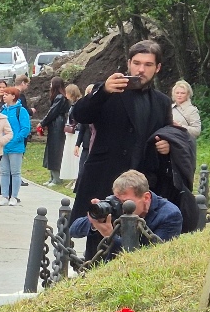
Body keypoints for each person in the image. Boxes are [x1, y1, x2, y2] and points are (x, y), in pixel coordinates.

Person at [70, 40, 172, 258]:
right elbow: (79, 115)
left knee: (137, 249)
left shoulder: (162, 102)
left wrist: (166, 146)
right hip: (104, 181)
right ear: (128, 63)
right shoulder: (106, 90)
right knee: (97, 250)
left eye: (148, 64)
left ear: (158, 68)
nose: (140, 69)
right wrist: (104, 91)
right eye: (136, 63)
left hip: (141, 187)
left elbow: (164, 135)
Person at [69, 169, 183, 258]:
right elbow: (74, 230)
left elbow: (150, 258)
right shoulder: (115, 207)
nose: (121, 206)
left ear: (146, 197)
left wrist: (110, 236)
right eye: (117, 200)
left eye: (125, 202)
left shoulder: (169, 215)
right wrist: (96, 221)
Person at [0, 85, 31, 205]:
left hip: (16, 147)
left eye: (7, 94)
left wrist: (14, 139)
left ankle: (14, 196)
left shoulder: (21, 111)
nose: (4, 96)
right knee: (4, 172)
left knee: (15, 172)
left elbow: (25, 129)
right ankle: (4, 196)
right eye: (4, 94)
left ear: (14, 96)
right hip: (3, 146)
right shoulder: (1, 110)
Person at [39, 77, 70, 186]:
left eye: (51, 84)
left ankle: (56, 178)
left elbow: (52, 112)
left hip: (57, 125)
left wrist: (42, 123)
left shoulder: (60, 97)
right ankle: (53, 177)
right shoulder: (59, 97)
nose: (50, 86)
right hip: (55, 125)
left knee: (55, 151)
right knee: (52, 150)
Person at [59, 84, 85, 182]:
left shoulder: (78, 104)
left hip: (76, 132)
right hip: (72, 132)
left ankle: (76, 178)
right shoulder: (73, 104)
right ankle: (74, 178)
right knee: (71, 155)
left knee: (76, 156)